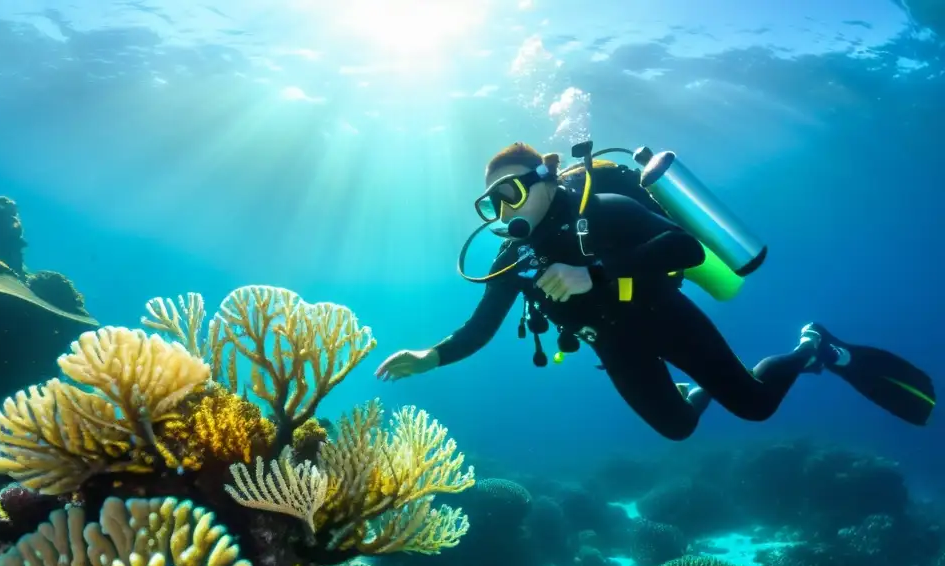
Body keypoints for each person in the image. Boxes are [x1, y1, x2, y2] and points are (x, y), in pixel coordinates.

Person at [375, 142, 936, 439]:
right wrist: (431, 357)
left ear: (544, 181)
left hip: (666, 316)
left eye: (513, 191)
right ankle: (698, 391)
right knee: (677, 428)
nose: (505, 209)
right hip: (614, 346)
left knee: (756, 407)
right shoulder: (512, 255)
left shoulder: (603, 208)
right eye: (492, 203)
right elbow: (480, 328)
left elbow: (686, 250)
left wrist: (591, 275)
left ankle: (812, 347)